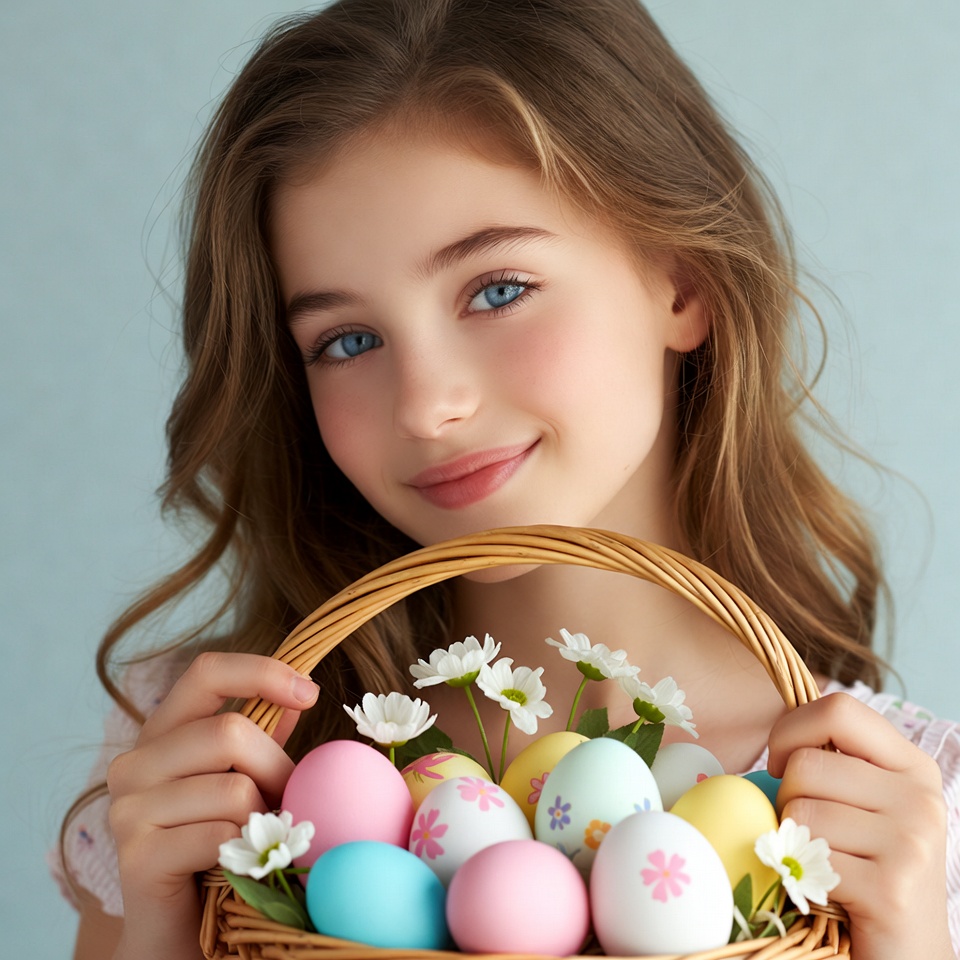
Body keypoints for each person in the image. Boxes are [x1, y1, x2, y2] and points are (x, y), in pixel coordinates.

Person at [54, 1, 959, 958]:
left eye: (497, 289)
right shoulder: (216, 765)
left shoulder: (896, 814)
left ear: (681, 283)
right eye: (347, 340)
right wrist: (160, 921)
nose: (426, 405)